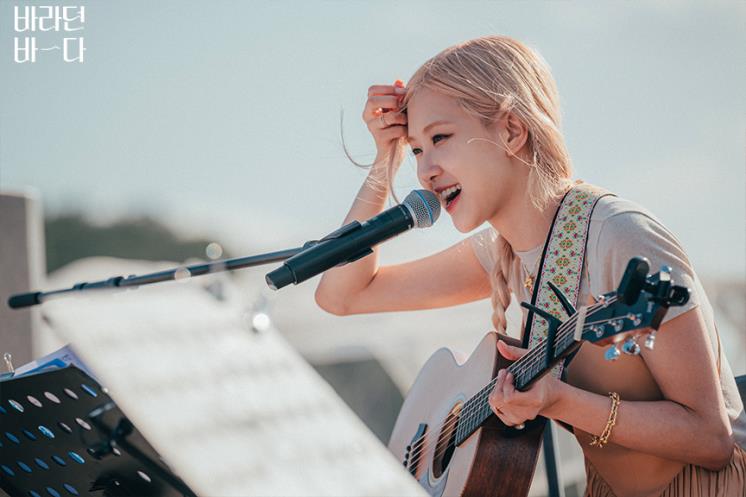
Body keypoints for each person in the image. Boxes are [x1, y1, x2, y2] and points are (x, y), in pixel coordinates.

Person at [314, 35, 745, 497]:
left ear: (511, 131)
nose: (424, 172)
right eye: (416, 150)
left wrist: (561, 401)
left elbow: (711, 440)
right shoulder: (501, 252)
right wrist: (385, 159)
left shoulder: (619, 236)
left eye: (439, 138)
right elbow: (342, 295)